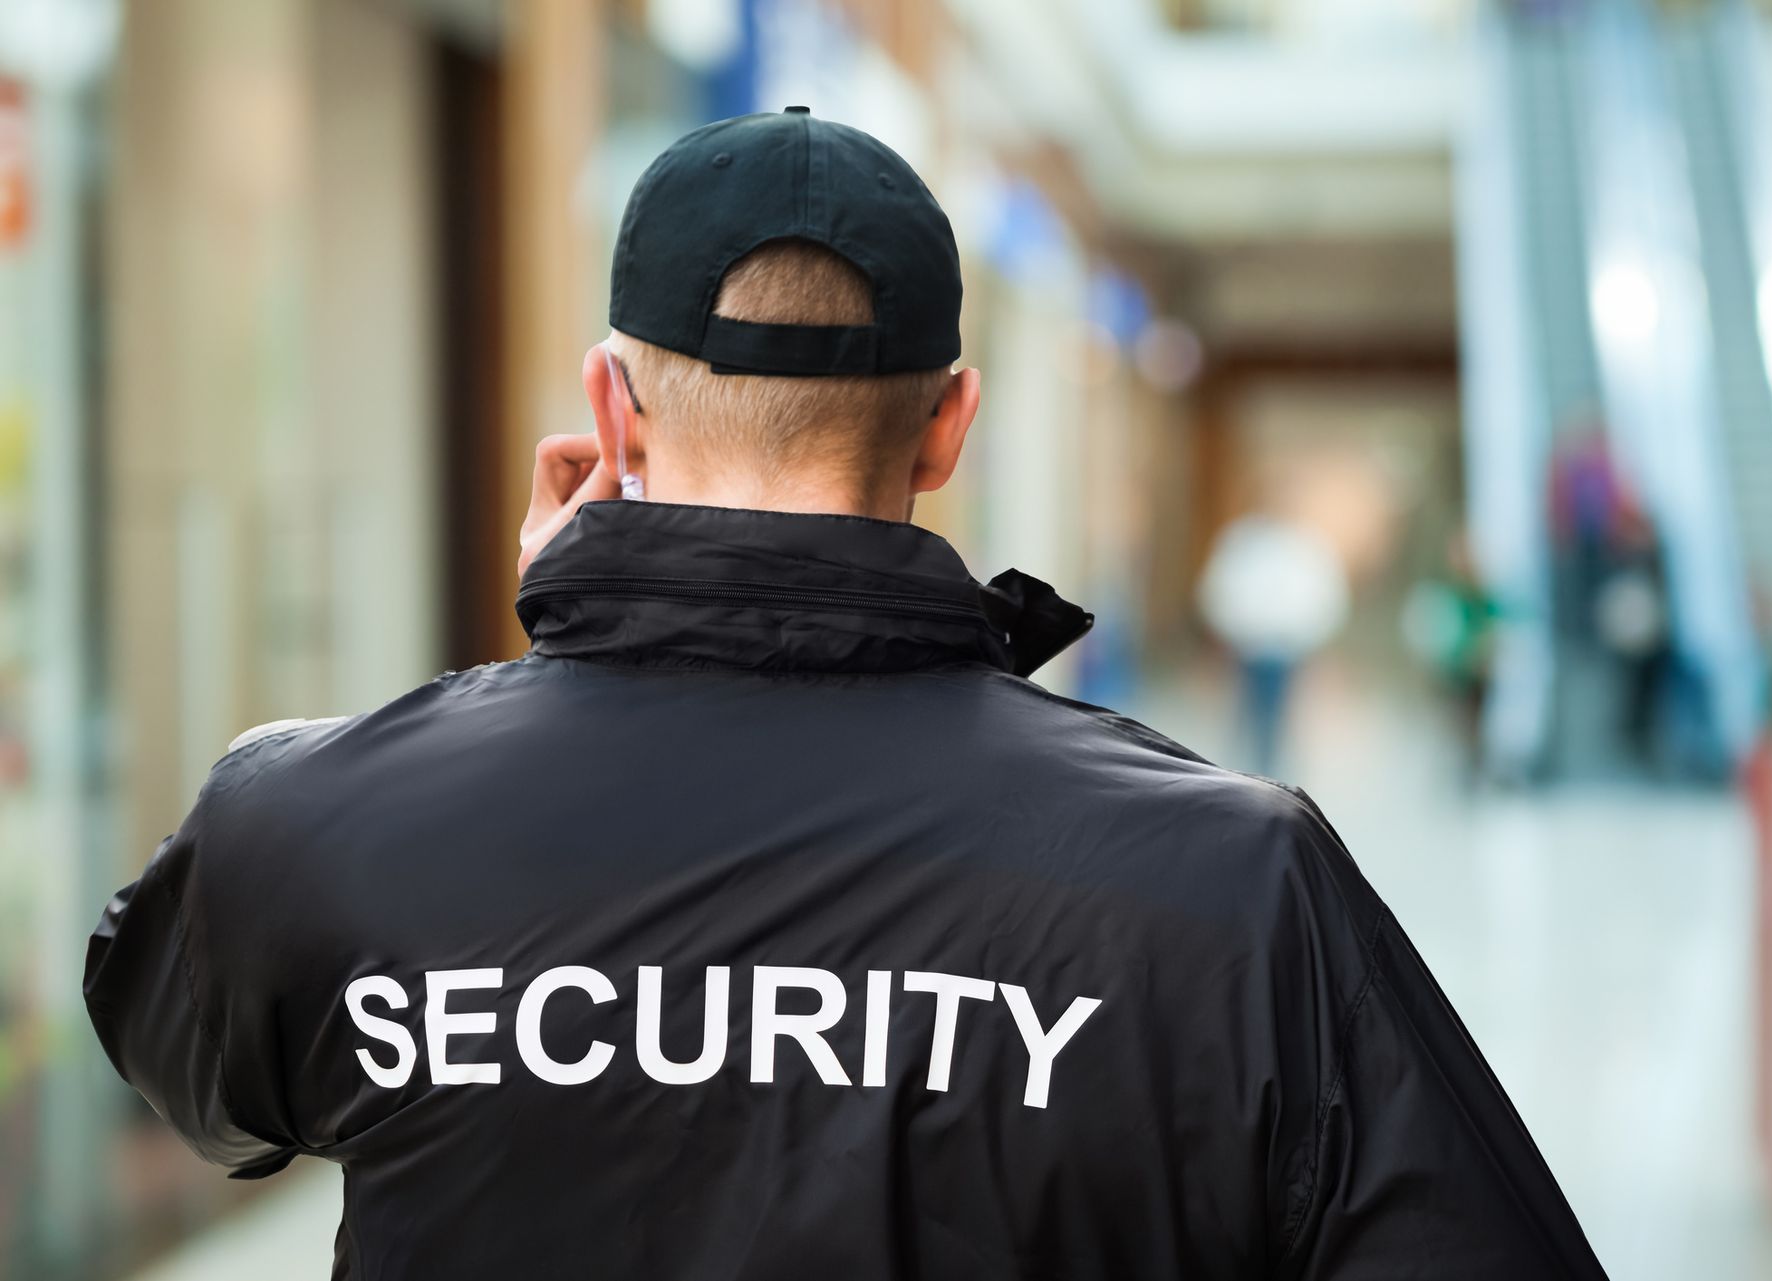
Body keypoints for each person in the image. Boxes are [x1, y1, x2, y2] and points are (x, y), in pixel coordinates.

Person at [82, 108, 1607, 1279]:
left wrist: (563, 661)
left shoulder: (319, 823)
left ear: (612, 403)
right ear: (949, 426)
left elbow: (192, 1075)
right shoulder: (1230, 884)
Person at [1198, 507, 1349, 773]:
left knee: (1273, 717)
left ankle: (1265, 773)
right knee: (1245, 713)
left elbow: (1321, 595)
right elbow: (1221, 588)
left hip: (1285, 647)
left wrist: (1306, 635)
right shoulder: (1244, 541)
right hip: (1248, 644)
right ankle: (1244, 773)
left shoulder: (1303, 543)